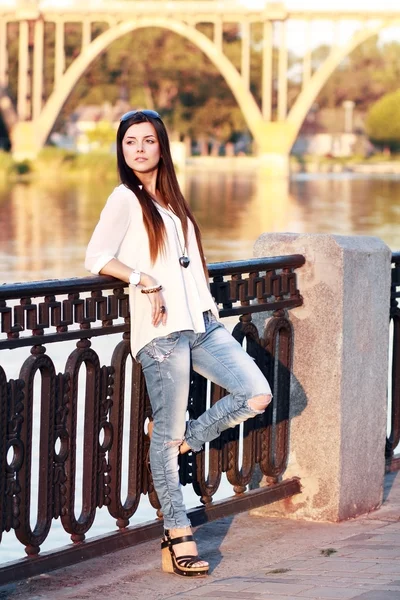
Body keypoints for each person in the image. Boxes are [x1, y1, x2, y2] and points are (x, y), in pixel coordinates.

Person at [85, 109, 272, 578]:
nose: (140, 149)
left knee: (256, 393)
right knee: (166, 437)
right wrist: (141, 279)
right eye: (131, 142)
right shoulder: (124, 198)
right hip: (163, 335)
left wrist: (208, 308)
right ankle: (176, 533)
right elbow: (96, 256)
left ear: (162, 147)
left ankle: (182, 441)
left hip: (204, 324)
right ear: (122, 150)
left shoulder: (172, 200)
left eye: (148, 140)